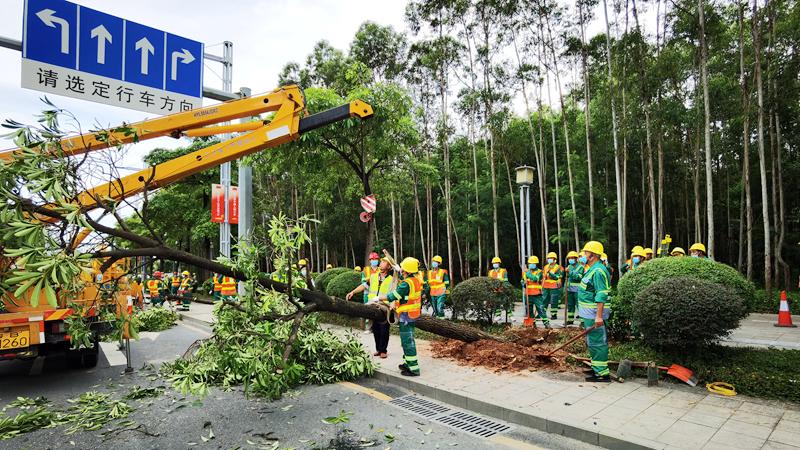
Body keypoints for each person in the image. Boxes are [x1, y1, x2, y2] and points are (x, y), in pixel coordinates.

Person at [378, 257, 423, 376]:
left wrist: (378, 298)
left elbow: (394, 295)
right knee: (406, 341)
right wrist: (398, 270)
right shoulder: (416, 280)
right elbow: (406, 282)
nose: (401, 270)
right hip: (412, 315)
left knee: (408, 342)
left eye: (403, 269)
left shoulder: (406, 284)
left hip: (407, 317)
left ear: (407, 270)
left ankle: (414, 369)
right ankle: (407, 363)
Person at [578, 241, 612, 382]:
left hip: (594, 315)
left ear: (592, 255)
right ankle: (596, 368)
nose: (583, 255)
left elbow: (601, 295)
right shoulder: (591, 269)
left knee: (598, 342)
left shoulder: (598, 271)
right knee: (592, 341)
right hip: (588, 314)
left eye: (585, 253)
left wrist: (599, 316)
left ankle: (602, 374)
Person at [347, 257, 395, 358]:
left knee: (384, 330)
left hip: (385, 307)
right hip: (373, 305)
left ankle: (383, 350)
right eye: (381, 261)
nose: (381, 263)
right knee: (375, 329)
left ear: (389, 266)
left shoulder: (392, 279)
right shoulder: (373, 277)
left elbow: (395, 294)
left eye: (384, 262)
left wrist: (392, 304)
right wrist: (353, 292)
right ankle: (378, 349)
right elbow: (364, 286)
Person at [521, 256, 547, 328]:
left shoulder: (539, 272)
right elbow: (522, 280)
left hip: (537, 294)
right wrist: (523, 283)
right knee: (529, 310)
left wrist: (527, 274)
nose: (531, 265)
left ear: (536, 264)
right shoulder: (525, 272)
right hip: (528, 294)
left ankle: (546, 324)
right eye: (530, 263)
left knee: (541, 309)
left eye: (533, 263)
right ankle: (533, 324)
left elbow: (535, 279)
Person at [542, 252, 563, 320]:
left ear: (555, 259)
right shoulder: (545, 267)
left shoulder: (559, 267)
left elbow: (558, 277)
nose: (549, 260)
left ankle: (554, 314)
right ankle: (542, 313)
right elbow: (543, 276)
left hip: (554, 286)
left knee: (554, 301)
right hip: (545, 286)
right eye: (548, 258)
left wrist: (551, 274)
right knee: (544, 300)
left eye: (551, 258)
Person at [565, 251, 584, 325]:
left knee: (579, 305)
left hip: (577, 290)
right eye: (569, 258)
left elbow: (579, 277)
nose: (570, 260)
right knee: (570, 305)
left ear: (576, 259)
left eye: (572, 258)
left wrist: (570, 272)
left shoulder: (581, 267)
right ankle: (570, 319)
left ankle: (582, 321)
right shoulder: (569, 267)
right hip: (569, 289)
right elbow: (567, 279)